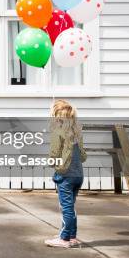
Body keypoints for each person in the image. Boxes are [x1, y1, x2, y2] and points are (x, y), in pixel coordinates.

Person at [45, 100, 87, 248]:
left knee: (66, 208)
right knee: (71, 207)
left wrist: (51, 162)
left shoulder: (58, 132)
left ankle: (64, 239)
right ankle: (72, 236)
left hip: (66, 175)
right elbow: (83, 156)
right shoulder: (76, 132)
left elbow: (54, 154)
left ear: (57, 117)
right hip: (78, 175)